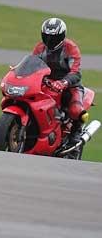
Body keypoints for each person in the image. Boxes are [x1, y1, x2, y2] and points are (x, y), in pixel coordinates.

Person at [33, 17, 84, 146]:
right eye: (47, 36)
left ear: (62, 36)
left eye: (54, 38)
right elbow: (32, 64)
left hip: (69, 85)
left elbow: (75, 72)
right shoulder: (40, 48)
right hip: (46, 83)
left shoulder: (71, 48)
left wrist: (64, 82)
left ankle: (75, 134)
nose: (50, 41)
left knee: (76, 110)